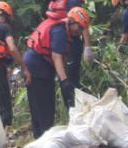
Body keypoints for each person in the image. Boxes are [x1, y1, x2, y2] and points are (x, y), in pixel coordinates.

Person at [22, 7, 91, 136]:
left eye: (82, 29)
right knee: (44, 106)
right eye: (79, 27)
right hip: (37, 66)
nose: (80, 31)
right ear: (71, 21)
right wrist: (64, 81)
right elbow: (56, 57)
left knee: (40, 104)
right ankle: (43, 138)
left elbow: (61, 58)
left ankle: (40, 137)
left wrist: (63, 77)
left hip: (34, 63)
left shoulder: (61, 28)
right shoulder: (60, 31)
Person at [40, 0, 89, 104]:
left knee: (71, 79)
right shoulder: (52, 4)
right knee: (63, 79)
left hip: (72, 44)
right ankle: (71, 109)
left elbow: (82, 23)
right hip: (59, 46)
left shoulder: (71, 2)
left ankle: (77, 106)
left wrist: (87, 47)